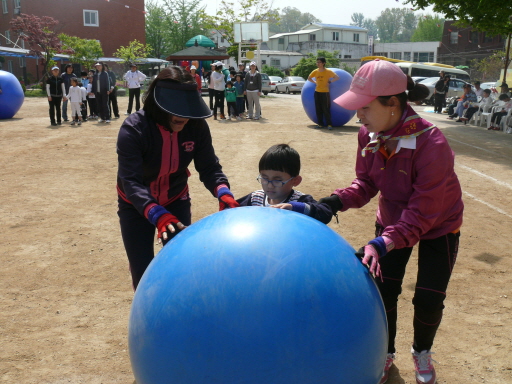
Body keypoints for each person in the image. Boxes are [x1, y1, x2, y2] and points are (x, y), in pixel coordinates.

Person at [318, 59, 463, 384]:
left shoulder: (432, 144)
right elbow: (366, 183)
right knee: (384, 292)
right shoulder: (369, 134)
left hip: (440, 224)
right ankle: (385, 353)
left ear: (393, 104)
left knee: (428, 298)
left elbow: (423, 212)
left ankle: (421, 352)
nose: (359, 116)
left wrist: (381, 242)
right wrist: (332, 203)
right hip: (394, 221)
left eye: (365, 108)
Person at [116, 66, 239, 290]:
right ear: (159, 104)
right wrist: (156, 213)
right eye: (177, 109)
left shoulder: (196, 126)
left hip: (175, 199)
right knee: (143, 270)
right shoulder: (134, 129)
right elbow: (130, 182)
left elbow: (209, 166)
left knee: (182, 267)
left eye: (188, 109)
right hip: (136, 206)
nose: (184, 117)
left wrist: (224, 193)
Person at [237, 144, 333, 224]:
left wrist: (295, 207)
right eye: (264, 178)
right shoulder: (255, 198)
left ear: (295, 181)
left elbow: (326, 213)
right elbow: (232, 210)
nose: (270, 185)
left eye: (277, 180)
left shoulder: (300, 200)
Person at [307, 57, 340, 129]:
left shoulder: (328, 71)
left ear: (323, 63)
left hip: (325, 92)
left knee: (326, 109)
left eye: (319, 62)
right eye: (317, 62)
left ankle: (329, 125)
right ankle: (320, 124)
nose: (318, 63)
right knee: (318, 109)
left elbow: (337, 77)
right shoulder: (315, 71)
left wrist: (330, 82)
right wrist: (315, 82)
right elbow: (309, 78)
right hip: (317, 92)